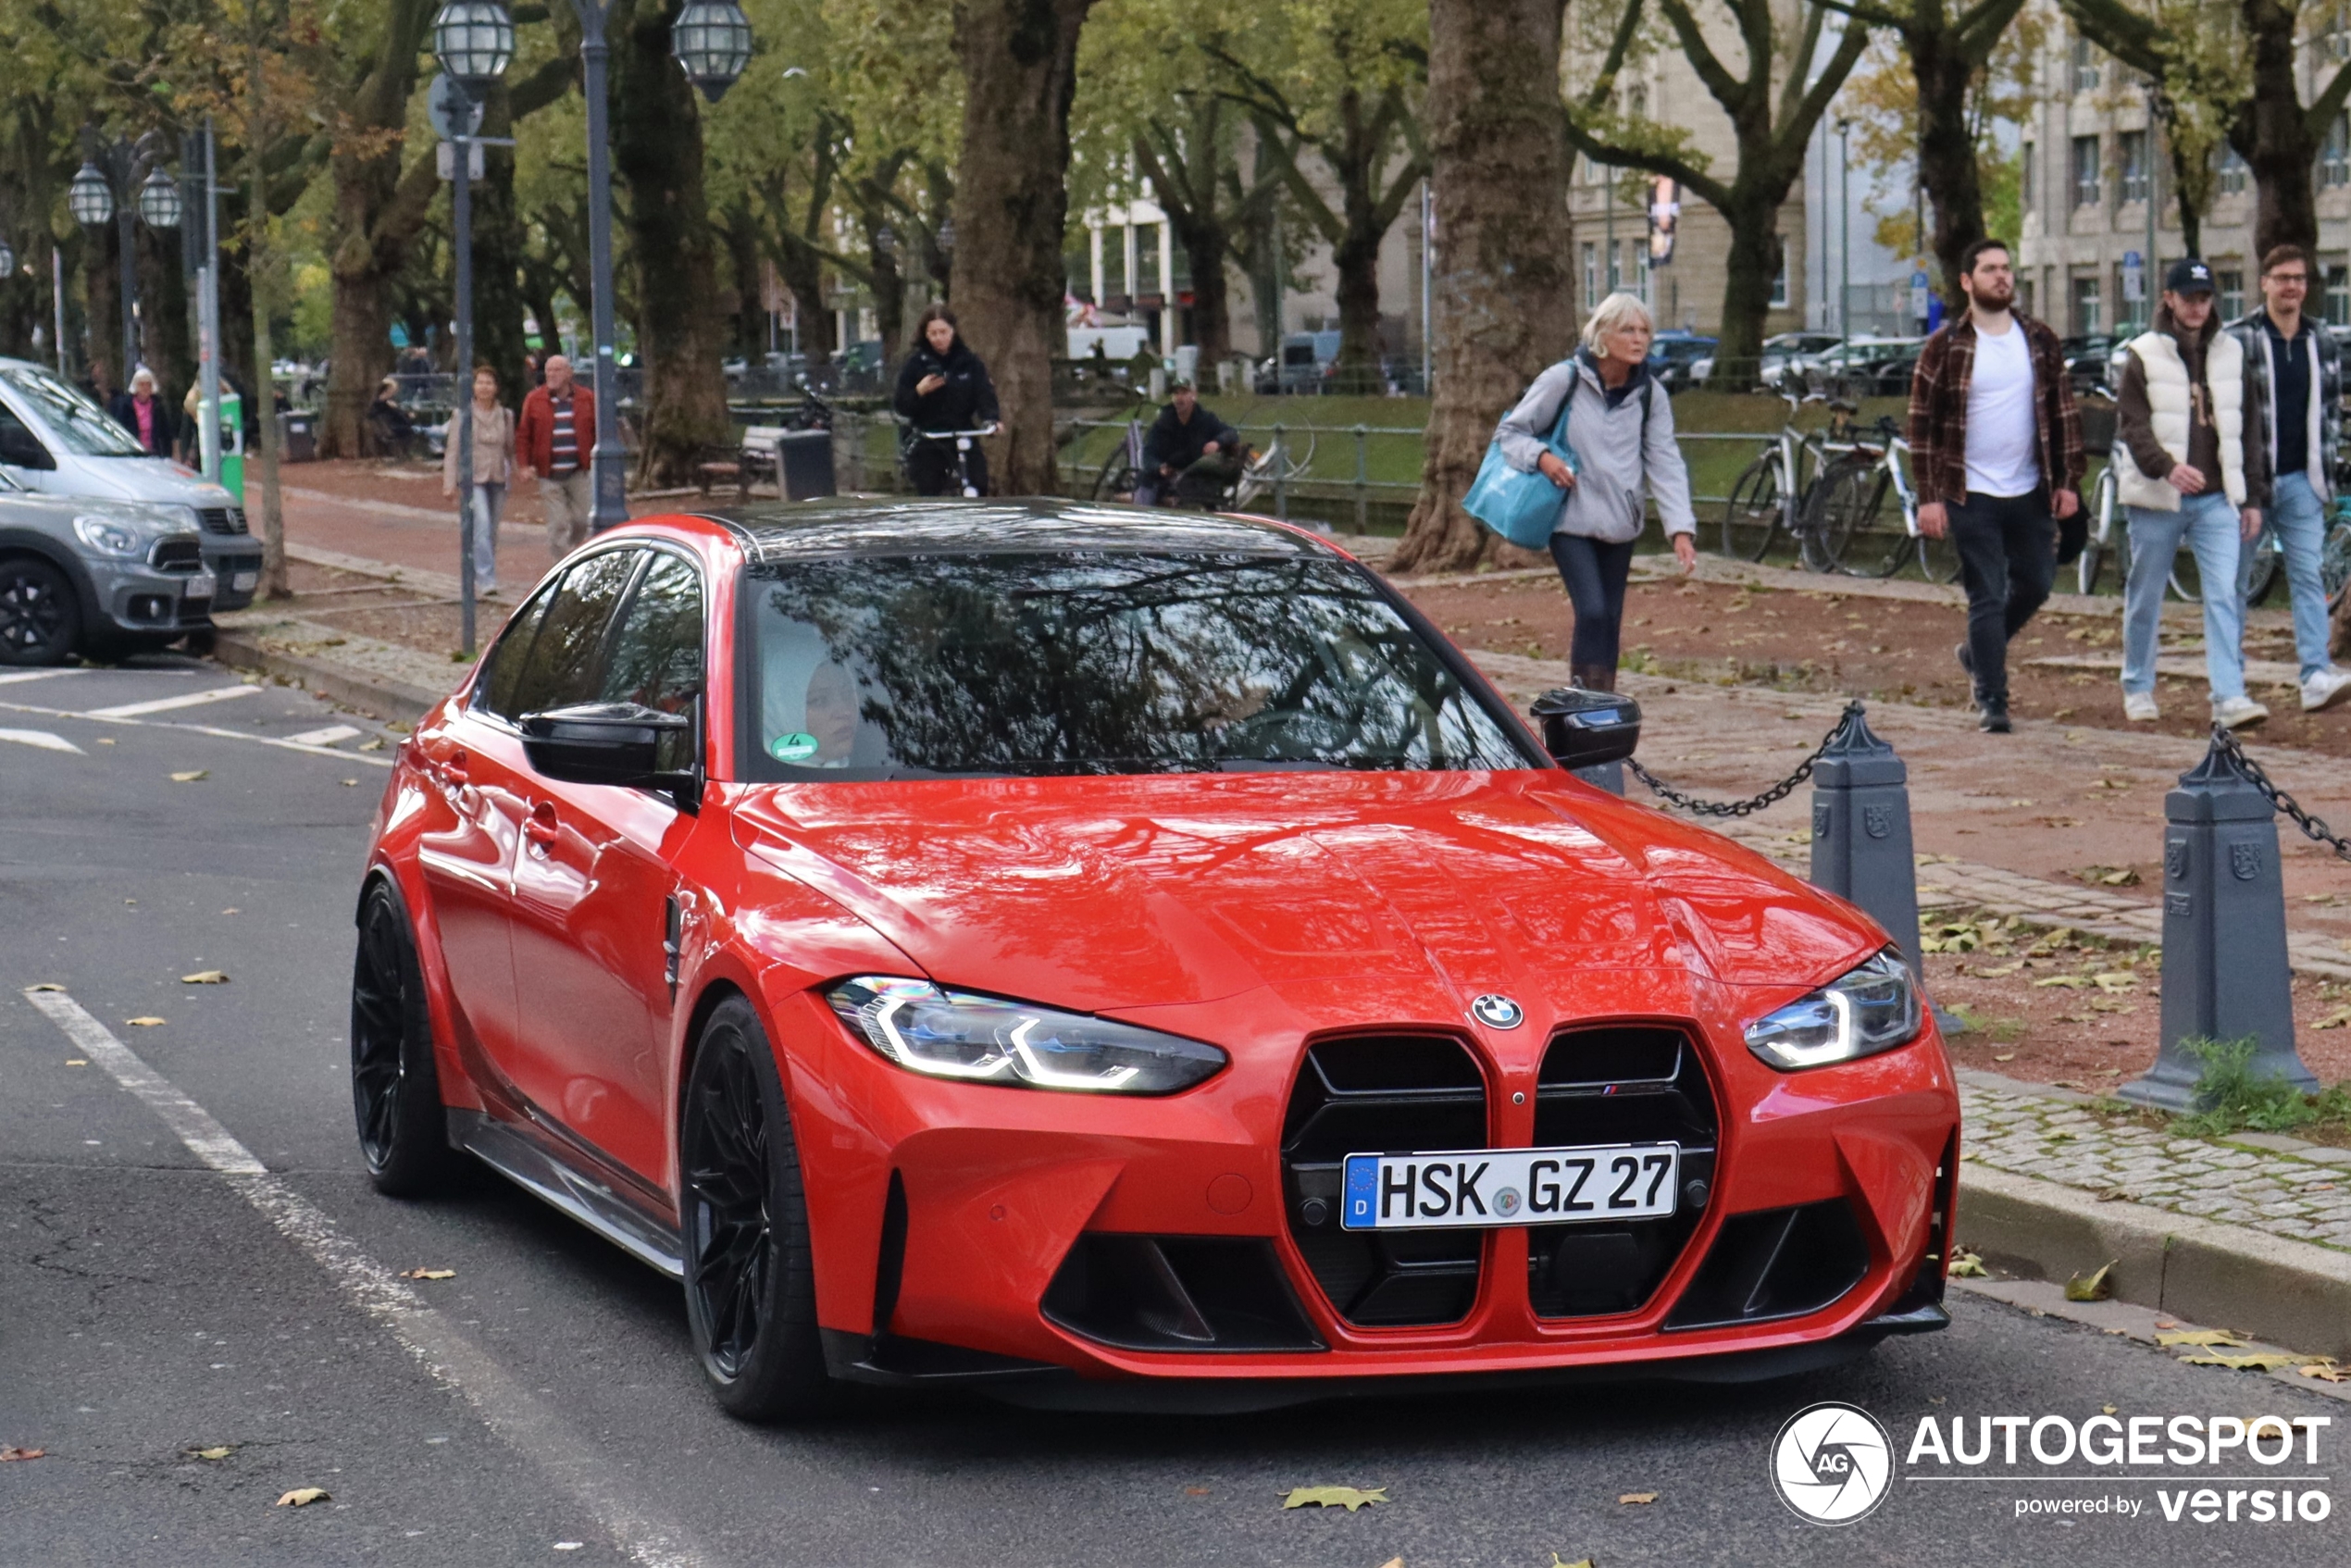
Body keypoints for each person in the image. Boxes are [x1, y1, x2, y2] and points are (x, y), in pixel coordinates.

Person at [1909, 239, 2084, 733]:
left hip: (2030, 487)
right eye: (1990, 270)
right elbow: (1921, 426)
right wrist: (1928, 497)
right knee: (1985, 592)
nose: (2001, 277)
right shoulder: (1945, 347)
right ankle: (1993, 698)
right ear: (1967, 281)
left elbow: (2063, 414)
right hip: (1970, 491)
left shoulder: (2040, 340)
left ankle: (1976, 654)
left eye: (2006, 269)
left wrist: (2069, 481)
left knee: (2037, 582)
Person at [1494, 290, 1698, 693]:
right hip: (1570, 518)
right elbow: (1510, 433)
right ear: (1603, 335)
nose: (1639, 338)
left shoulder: (1651, 394)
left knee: (1610, 618)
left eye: (1644, 330)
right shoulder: (1563, 380)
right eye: (1628, 330)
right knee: (1591, 611)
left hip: (1621, 522)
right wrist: (1543, 459)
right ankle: (1580, 706)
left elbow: (1664, 459)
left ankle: (1602, 711)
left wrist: (1680, 528)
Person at [2114, 258, 2271, 728]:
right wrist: (2166, 468)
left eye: (2205, 298)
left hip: (2217, 497)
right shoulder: (2142, 354)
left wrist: (2252, 497)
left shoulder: (2231, 353)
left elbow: (2250, 430)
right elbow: (2133, 426)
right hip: (2158, 497)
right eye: (2189, 298)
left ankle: (2228, 693)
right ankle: (2138, 685)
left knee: (2224, 593)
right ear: (2169, 299)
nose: (2198, 306)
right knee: (2146, 593)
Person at [2226, 245, 2351, 714]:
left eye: (2298, 278)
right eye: (2282, 278)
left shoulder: (2322, 339)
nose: (2291, 286)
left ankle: (2315, 673)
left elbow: (2331, 409)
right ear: (2264, 283)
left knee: (2308, 575)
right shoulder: (2240, 339)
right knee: (2233, 581)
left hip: (2302, 479)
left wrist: (2329, 467)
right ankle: (2230, 678)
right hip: (2249, 485)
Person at [893, 305, 1000, 496]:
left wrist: (991, 419)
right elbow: (901, 404)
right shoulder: (915, 364)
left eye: (943, 332)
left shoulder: (969, 362)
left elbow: (984, 393)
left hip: (962, 431)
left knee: (979, 481)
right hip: (929, 435)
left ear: (953, 331)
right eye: (933, 333)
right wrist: (919, 391)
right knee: (928, 484)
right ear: (925, 334)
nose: (938, 338)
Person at [442, 364, 516, 597]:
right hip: (473, 477)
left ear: (496, 388)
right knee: (481, 525)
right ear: (473, 387)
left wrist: (518, 472)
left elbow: (510, 449)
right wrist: (449, 483)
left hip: (497, 476)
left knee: (492, 530)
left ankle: (484, 569)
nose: (484, 387)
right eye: (480, 382)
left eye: (489, 383)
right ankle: (486, 579)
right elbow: (453, 450)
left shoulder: (506, 415)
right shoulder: (462, 414)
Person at [516, 354, 598, 557]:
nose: (551, 375)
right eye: (548, 371)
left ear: (569, 373)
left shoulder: (586, 398)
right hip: (549, 473)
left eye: (557, 370)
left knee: (583, 520)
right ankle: (560, 568)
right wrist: (524, 465)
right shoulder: (535, 400)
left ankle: (575, 555)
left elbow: (597, 430)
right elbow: (524, 434)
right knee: (558, 523)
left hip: (578, 471)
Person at [1137, 381, 1241, 506]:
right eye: (1176, 393)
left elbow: (1231, 433)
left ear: (1194, 395)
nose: (1179, 398)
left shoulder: (1206, 420)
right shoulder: (1162, 423)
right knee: (1145, 478)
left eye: (1184, 393)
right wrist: (1159, 468)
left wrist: (1217, 443)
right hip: (1168, 478)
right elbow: (1148, 453)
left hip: (1196, 479)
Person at [107, 367, 173, 456]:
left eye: (148, 384)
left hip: (153, 453)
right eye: (142, 384)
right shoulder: (125, 406)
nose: (145, 388)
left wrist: (166, 455)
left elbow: (165, 434)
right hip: (132, 453)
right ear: (136, 386)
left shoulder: (158, 406)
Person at [367, 377, 417, 456]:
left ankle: (405, 453)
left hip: (390, 427)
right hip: (390, 429)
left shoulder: (383, 403)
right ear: (387, 390)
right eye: (392, 390)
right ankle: (407, 454)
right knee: (411, 431)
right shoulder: (383, 404)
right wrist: (404, 413)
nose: (394, 393)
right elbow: (396, 415)